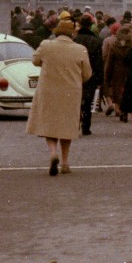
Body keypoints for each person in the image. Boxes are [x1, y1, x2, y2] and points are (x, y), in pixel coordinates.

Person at [26, 19, 92, 175]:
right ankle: (65, 162)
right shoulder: (80, 49)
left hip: (48, 90)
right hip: (71, 92)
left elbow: (35, 60)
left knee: (49, 124)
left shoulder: (46, 45)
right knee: (67, 126)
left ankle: (52, 153)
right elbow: (87, 74)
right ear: (72, 33)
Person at [72, 16, 104, 135]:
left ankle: (75, 122)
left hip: (75, 72)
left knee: (75, 99)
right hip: (91, 73)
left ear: (80, 25)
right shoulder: (96, 40)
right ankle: (86, 126)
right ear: (90, 26)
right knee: (88, 101)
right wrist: (100, 78)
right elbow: (99, 62)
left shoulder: (74, 40)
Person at [102, 23, 132, 117]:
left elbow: (110, 62)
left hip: (117, 71)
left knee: (117, 91)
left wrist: (107, 76)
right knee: (127, 90)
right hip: (129, 71)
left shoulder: (114, 46)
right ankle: (125, 109)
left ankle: (118, 109)